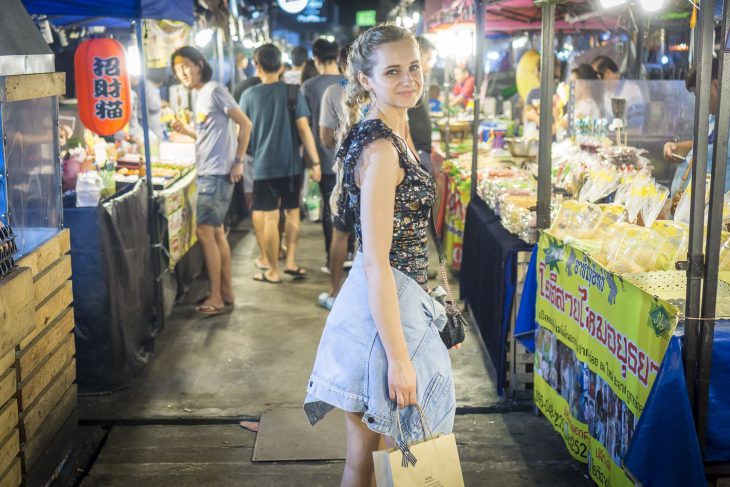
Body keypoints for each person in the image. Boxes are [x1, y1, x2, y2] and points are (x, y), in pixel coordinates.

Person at [304, 25, 456, 486]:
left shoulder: (389, 127)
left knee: (365, 459)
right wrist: (399, 359)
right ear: (366, 79)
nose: (409, 79)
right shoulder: (382, 148)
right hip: (387, 317)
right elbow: (374, 260)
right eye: (393, 71)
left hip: (384, 306)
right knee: (408, 462)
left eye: (414, 67)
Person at [170, 46, 252, 315]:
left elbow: (245, 124)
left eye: (185, 66)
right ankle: (226, 291)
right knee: (216, 232)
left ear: (199, 64)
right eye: (176, 68)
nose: (181, 72)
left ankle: (215, 296)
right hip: (209, 170)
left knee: (204, 232)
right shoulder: (200, 95)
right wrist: (187, 131)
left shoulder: (215, 90)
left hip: (216, 173)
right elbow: (211, 135)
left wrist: (238, 160)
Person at [239, 43, 322, 284]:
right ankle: (292, 262)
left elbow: (241, 132)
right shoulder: (293, 92)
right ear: (281, 66)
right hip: (291, 166)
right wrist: (315, 162)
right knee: (293, 213)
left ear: (257, 64)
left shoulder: (248, 96)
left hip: (263, 166)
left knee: (270, 218)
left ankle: (273, 271)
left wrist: (237, 159)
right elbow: (305, 131)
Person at [301, 38, 345, 277]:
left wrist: (312, 161)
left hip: (324, 158)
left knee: (331, 211)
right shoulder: (350, 83)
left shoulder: (308, 86)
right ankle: (349, 254)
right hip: (351, 158)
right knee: (352, 207)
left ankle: (332, 259)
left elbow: (305, 125)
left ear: (316, 59)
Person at [317, 44, 352, 310]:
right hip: (381, 172)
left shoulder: (333, 91)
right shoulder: (380, 88)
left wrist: (344, 136)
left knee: (340, 234)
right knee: (374, 239)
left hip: (346, 173)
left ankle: (335, 291)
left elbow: (326, 138)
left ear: (341, 65)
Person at [666, 58, 730, 198]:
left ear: (716, 85)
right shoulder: (712, 117)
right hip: (688, 211)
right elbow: (703, 145)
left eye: (699, 95)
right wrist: (677, 147)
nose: (698, 102)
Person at [407, 36, 436, 174]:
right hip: (416, 153)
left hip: (419, 151)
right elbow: (402, 126)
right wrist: (415, 159)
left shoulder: (415, 84)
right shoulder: (408, 86)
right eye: (428, 59)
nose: (429, 66)